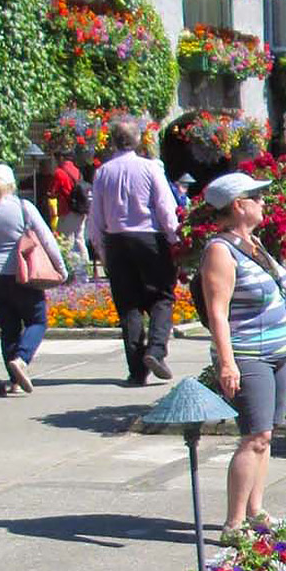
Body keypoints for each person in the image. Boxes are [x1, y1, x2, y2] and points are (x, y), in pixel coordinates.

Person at [197, 173, 286, 544]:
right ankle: (233, 524)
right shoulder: (220, 250)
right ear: (238, 205)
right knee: (254, 437)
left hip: (279, 352)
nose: (264, 203)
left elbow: (279, 298)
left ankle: (256, 510)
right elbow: (217, 311)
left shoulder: (253, 244)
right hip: (250, 355)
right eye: (258, 197)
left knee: (267, 436)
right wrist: (227, 362)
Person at [88, 118, 180, 386]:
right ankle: (156, 349)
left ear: (113, 141)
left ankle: (137, 370)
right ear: (138, 140)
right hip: (148, 237)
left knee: (128, 305)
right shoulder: (150, 168)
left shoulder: (103, 172)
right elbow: (165, 207)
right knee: (162, 296)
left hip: (117, 240)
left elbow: (96, 219)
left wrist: (103, 251)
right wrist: (175, 240)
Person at [0, 164, 67, 395]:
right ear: (12, 184)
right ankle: (21, 360)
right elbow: (46, 238)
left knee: (8, 327)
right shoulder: (23, 208)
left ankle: (14, 381)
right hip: (21, 274)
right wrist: (62, 270)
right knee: (37, 320)